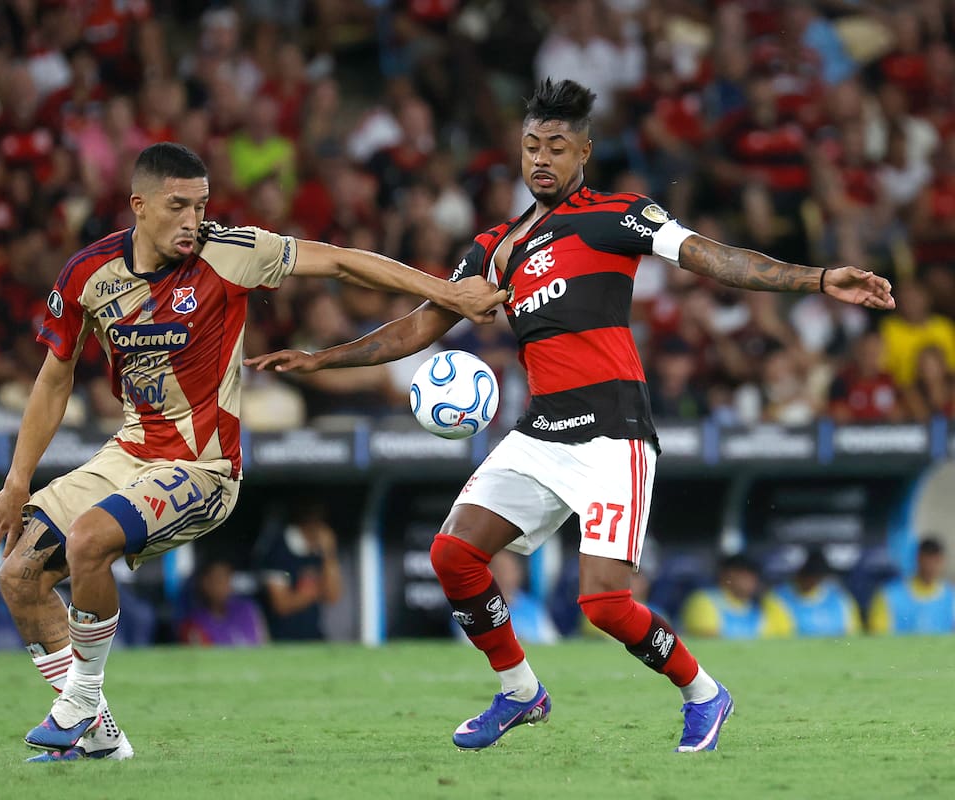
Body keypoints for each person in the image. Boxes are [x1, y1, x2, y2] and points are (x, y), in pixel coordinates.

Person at [246, 79, 895, 753]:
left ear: (584, 152)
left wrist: (818, 279)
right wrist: (326, 360)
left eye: (557, 146)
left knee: (604, 603)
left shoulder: (618, 216)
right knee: (453, 555)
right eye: (531, 146)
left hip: (614, 435)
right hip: (541, 434)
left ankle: (704, 693)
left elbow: (715, 258)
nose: (541, 159)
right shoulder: (496, 247)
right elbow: (424, 324)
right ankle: (521, 691)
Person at [0, 142, 505, 763]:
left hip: (203, 469)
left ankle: (80, 702)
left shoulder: (231, 252)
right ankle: (99, 738)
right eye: (177, 207)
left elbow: (338, 262)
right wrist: (16, 483)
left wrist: (450, 293)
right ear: (138, 206)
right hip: (129, 451)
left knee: (90, 540)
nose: (191, 221)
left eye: (200, 206)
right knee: (18, 575)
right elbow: (53, 380)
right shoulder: (88, 275)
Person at [254, 501, 343, 641]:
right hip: (282, 639)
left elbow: (332, 596)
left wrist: (329, 554)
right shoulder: (278, 551)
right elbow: (281, 605)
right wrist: (314, 592)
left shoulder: (320, 551)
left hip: (314, 637)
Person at [680, 553, 794, 639]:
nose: (750, 579)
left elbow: (783, 637)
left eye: (753, 575)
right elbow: (706, 637)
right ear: (725, 575)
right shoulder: (703, 600)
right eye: (743, 574)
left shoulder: (764, 604)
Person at [868, 537, 955, 635]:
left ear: (942, 561)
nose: (931, 567)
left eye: (936, 561)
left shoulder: (951, 598)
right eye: (927, 561)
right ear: (918, 559)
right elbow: (878, 640)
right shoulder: (889, 595)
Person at [771, 548, 861, 637]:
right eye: (806, 575)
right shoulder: (779, 597)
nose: (810, 580)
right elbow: (781, 637)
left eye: (815, 575)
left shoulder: (839, 596)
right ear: (798, 574)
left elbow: (854, 634)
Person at [179, 559, 268, 647]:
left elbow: (265, 646)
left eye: (226, 579)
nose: (223, 586)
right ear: (204, 583)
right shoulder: (193, 624)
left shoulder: (248, 609)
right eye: (217, 580)